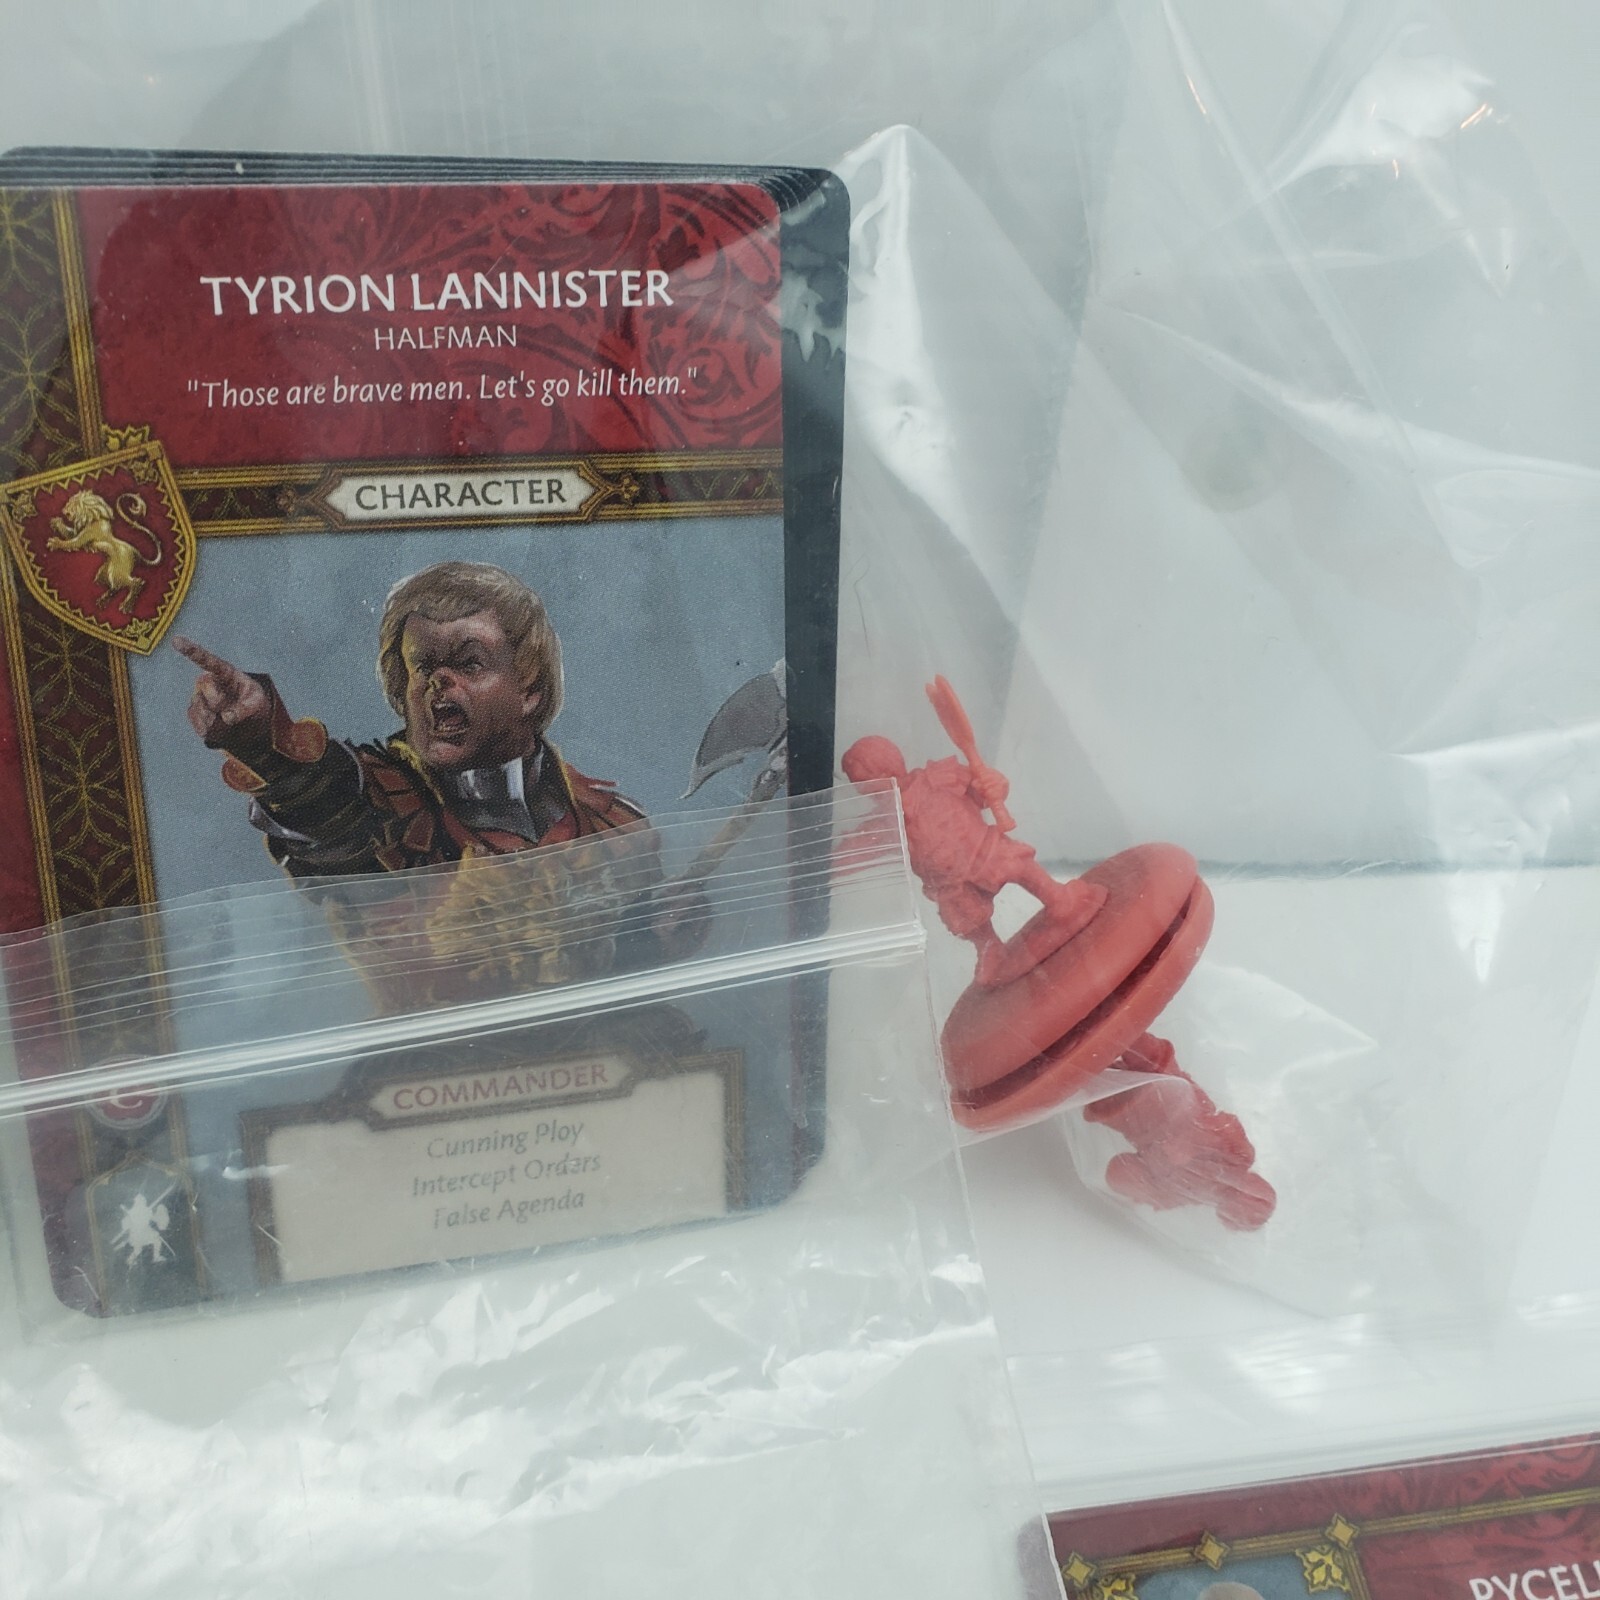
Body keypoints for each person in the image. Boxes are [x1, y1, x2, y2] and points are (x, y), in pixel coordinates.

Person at [175, 561, 643, 877]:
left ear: (530, 690)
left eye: (469, 662)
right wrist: (264, 744)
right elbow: (327, 814)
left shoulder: (614, 824)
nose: (439, 680)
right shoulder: (379, 803)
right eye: (422, 665)